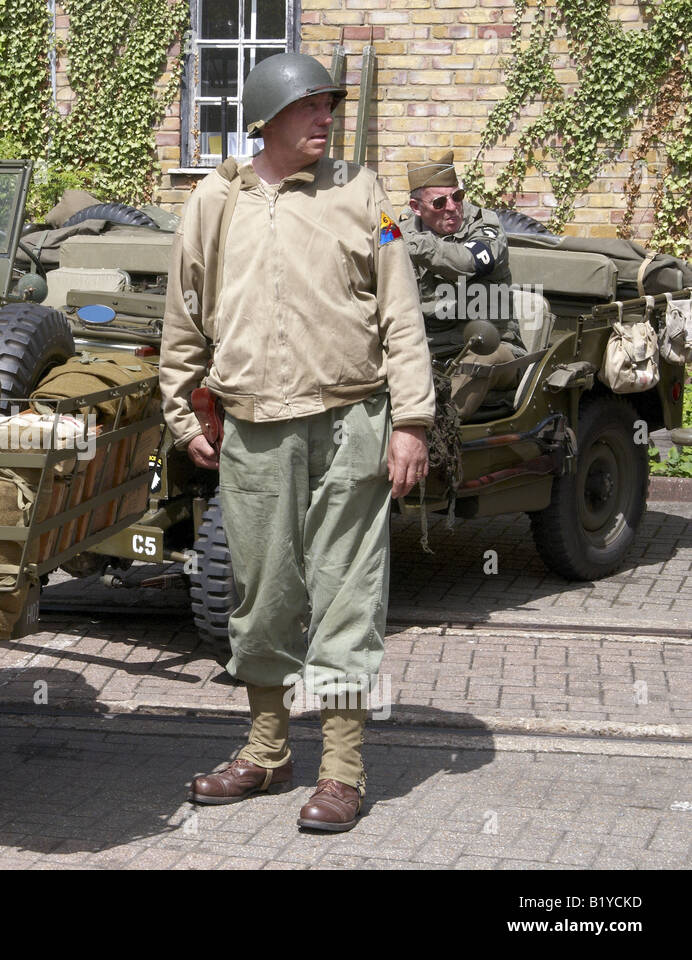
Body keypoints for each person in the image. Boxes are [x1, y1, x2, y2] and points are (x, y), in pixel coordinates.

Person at [159, 54, 436, 831]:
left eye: (330, 106)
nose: (325, 119)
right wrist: (183, 413)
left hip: (351, 423)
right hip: (252, 429)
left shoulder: (362, 194)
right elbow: (183, 315)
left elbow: (400, 311)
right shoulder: (215, 201)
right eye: (309, 107)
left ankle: (343, 771)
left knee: (348, 596)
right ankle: (266, 749)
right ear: (268, 118)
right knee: (262, 596)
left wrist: (410, 419)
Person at [400, 150, 525, 418]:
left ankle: (439, 435)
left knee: (480, 362)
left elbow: (471, 261)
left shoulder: (485, 224)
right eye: (439, 202)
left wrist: (408, 244)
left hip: (491, 346)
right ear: (415, 207)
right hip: (427, 348)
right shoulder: (401, 227)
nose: (452, 207)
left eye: (457, 196)